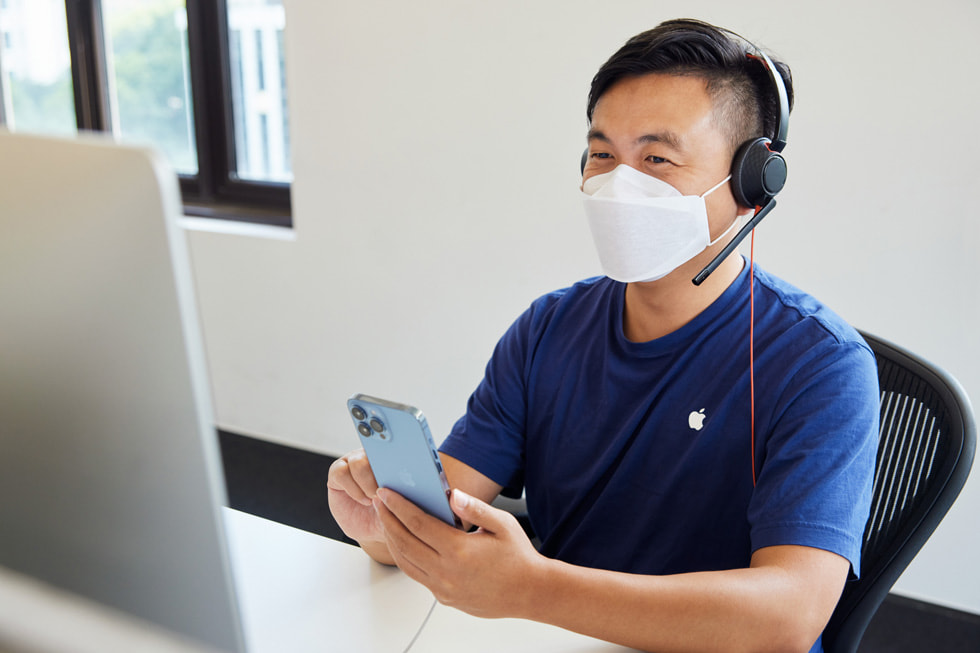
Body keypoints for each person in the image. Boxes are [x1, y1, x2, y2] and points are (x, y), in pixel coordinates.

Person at [327, 18, 879, 653]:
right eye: (603, 154)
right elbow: (447, 499)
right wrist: (381, 523)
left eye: (656, 159)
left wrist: (532, 588)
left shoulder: (822, 366)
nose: (621, 182)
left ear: (753, 184)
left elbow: (789, 615)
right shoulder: (548, 328)